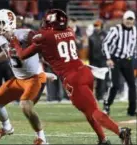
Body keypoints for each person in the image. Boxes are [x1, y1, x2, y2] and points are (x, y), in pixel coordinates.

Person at [10, 9, 132, 145]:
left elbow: (22, 54)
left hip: (73, 79)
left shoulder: (46, 36)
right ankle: (102, 140)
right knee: (89, 111)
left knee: (93, 112)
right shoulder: (69, 31)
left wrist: (14, 40)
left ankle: (121, 132)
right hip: (85, 73)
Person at [0, 9, 48, 145]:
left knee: (25, 106)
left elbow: (40, 44)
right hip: (19, 79)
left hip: (34, 77)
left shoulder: (25, 35)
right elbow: (8, 53)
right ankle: (7, 128)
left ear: (9, 23)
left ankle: (42, 138)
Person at [102, 10, 137, 116]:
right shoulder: (116, 30)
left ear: (134, 21)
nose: (129, 22)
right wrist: (108, 58)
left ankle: (132, 110)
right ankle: (107, 105)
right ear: (123, 19)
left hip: (127, 60)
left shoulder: (135, 31)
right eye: (127, 19)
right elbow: (105, 44)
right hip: (115, 60)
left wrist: (133, 56)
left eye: (131, 19)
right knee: (115, 85)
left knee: (132, 85)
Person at [88, 19, 107, 101]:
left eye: (98, 25)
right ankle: (94, 95)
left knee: (102, 78)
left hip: (103, 60)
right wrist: (90, 62)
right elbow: (90, 51)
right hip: (94, 61)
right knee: (94, 79)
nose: (96, 27)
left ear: (101, 26)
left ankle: (101, 95)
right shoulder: (91, 37)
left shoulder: (106, 35)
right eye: (95, 25)